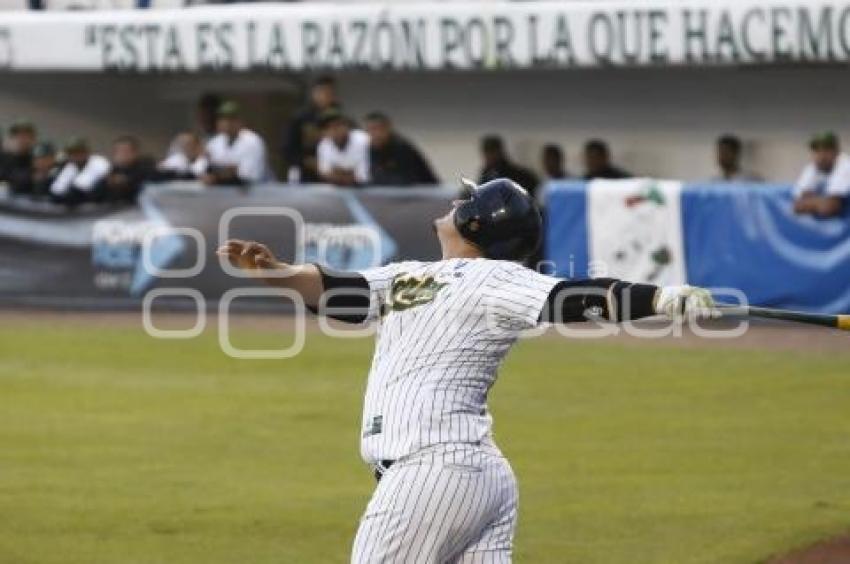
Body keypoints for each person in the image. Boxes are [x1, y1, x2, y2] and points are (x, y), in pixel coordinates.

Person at [217, 177, 717, 563]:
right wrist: (275, 271)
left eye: (467, 201)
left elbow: (567, 298)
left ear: (481, 222)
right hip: (471, 477)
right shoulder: (417, 277)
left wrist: (656, 296)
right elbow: (337, 292)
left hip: (434, 472)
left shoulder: (493, 278)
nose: (456, 203)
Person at [284, 75, 341, 183]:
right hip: (306, 174)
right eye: (322, 92)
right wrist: (308, 162)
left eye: (330, 93)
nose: (325, 97)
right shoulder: (300, 118)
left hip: (335, 174)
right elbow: (288, 149)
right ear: (314, 94)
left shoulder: (341, 118)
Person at [364, 112, 439, 186]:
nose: (376, 134)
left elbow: (404, 180)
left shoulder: (401, 147)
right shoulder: (367, 149)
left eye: (379, 129)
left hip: (421, 191)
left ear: (388, 128)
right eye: (371, 129)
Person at [204, 101, 269, 186]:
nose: (226, 123)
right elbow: (204, 170)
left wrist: (220, 173)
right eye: (222, 119)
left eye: (231, 119)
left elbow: (248, 175)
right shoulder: (214, 142)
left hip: (254, 193)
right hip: (222, 192)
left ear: (239, 121)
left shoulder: (253, 141)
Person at [793, 132, 849, 218]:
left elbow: (830, 208)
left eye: (826, 150)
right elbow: (797, 206)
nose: (821, 156)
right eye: (817, 150)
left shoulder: (845, 165)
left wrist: (811, 202)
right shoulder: (812, 168)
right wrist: (820, 203)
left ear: (837, 152)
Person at [50, 137, 111, 206]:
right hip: (81, 206)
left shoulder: (99, 162)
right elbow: (57, 190)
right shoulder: (70, 166)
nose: (75, 156)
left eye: (79, 152)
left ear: (87, 152)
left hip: (102, 206)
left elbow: (82, 187)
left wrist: (67, 194)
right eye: (71, 153)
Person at [316, 109, 370, 187]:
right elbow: (325, 173)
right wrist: (345, 175)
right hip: (337, 190)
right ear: (324, 132)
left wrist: (339, 173)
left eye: (338, 125)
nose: (334, 130)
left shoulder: (363, 139)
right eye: (329, 127)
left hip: (366, 188)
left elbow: (363, 176)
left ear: (347, 126)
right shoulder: (324, 145)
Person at [478, 135, 540, 199]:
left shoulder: (518, 175)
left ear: (499, 152)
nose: (489, 157)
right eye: (486, 153)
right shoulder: (486, 174)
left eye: (491, 152)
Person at [99, 136, 156, 203]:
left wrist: (126, 181)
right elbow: (97, 195)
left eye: (125, 151)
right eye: (117, 151)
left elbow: (144, 188)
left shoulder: (146, 169)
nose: (121, 154)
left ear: (135, 153)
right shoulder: (112, 171)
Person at [2, 119, 38, 195]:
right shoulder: (4, 156)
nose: (21, 140)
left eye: (26, 136)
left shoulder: (35, 160)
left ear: (33, 140)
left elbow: (25, 182)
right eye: (17, 136)